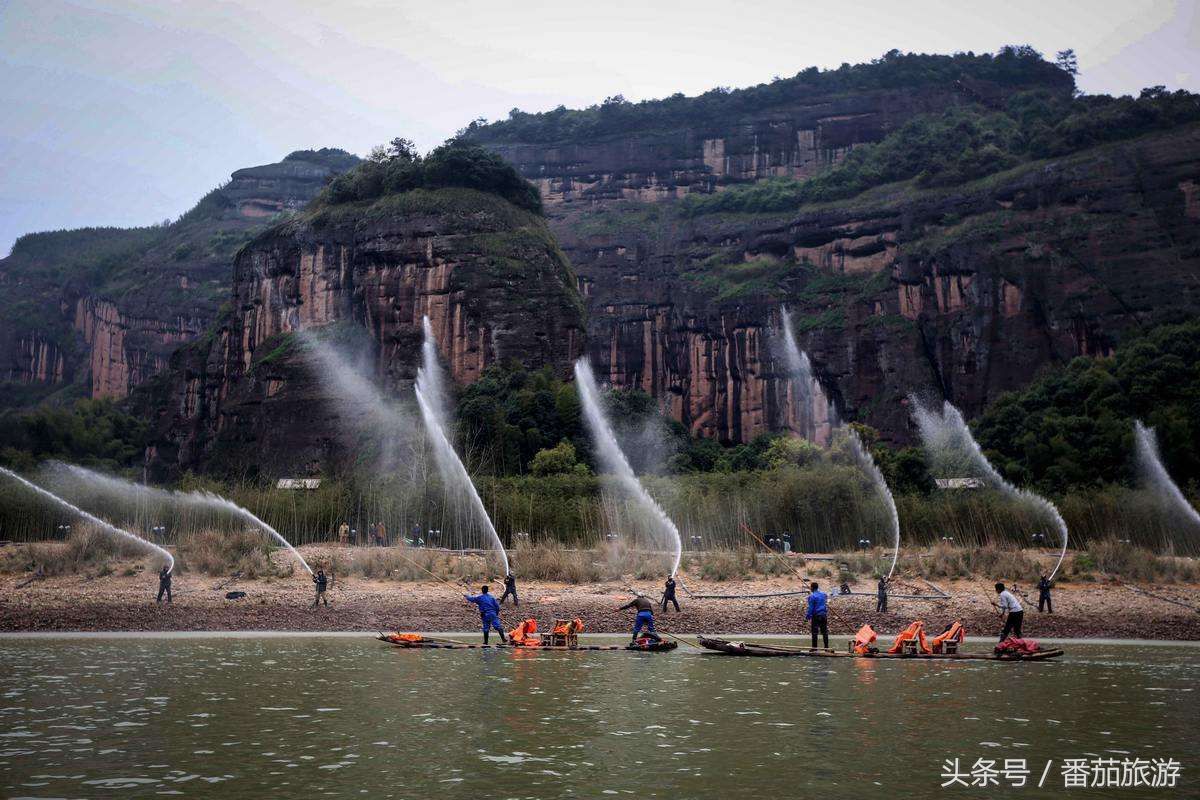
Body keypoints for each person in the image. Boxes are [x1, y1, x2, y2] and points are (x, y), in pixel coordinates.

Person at [806, 581, 829, 650]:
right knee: (824, 632)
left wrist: (808, 616)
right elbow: (825, 598)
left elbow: (811, 608)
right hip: (824, 615)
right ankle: (826, 648)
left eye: (811, 587)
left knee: (814, 632)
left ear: (812, 588)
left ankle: (814, 648)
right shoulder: (823, 594)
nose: (810, 588)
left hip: (816, 616)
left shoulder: (812, 596)